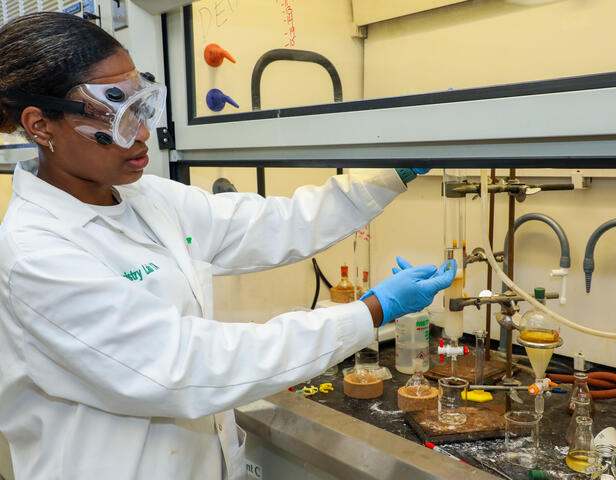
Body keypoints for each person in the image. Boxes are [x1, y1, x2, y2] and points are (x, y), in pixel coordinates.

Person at [0, 12, 455, 480]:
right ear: (41, 126)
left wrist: (386, 176)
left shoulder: (150, 199)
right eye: (115, 118)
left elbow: (274, 225)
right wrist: (370, 311)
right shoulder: (37, 253)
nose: (140, 135)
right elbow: (186, 365)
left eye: (142, 108)